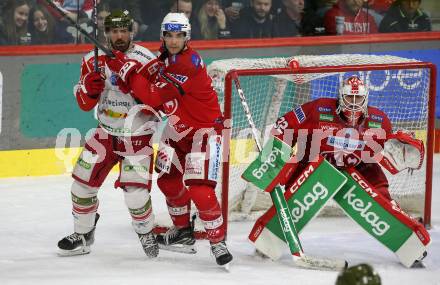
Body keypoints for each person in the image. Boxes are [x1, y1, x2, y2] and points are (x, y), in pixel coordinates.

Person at [106, 12, 233, 266]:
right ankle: (184, 232)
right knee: (168, 180)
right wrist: (125, 65)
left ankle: (218, 242)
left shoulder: (187, 63)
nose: (173, 40)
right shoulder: (165, 57)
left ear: (187, 37)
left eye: (179, 35)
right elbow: (148, 78)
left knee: (199, 188)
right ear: (162, 36)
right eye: (169, 35)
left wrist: (129, 74)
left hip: (204, 133)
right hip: (176, 131)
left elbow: (152, 96)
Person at [57, 10, 160, 258]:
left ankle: (146, 233)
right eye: (114, 31)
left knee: (135, 195)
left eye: (124, 30)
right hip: (105, 133)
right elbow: (83, 102)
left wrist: (134, 85)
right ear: (106, 33)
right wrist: (89, 91)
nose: (119, 35)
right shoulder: (92, 59)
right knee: (81, 187)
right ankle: (83, 235)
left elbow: (159, 104)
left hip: (137, 135)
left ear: (132, 31)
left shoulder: (147, 59)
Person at [272, 75, 424, 203]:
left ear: (365, 99)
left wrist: (403, 145)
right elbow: (285, 124)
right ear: (341, 97)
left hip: (356, 166)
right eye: (349, 97)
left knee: (375, 174)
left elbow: (389, 146)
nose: (353, 102)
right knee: (293, 181)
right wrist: (277, 155)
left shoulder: (379, 120)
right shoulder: (318, 108)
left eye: (357, 98)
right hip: (313, 165)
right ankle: (287, 203)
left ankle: (388, 207)